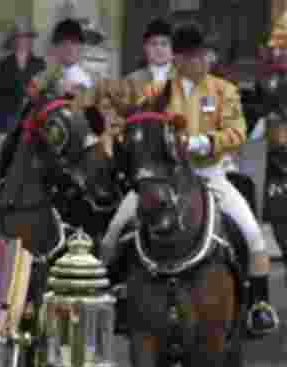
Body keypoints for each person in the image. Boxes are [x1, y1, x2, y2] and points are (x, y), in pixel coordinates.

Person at [100, 23, 278, 336]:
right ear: (178, 60)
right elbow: (134, 120)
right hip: (165, 175)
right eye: (191, 57)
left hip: (210, 173)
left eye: (202, 56)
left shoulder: (224, 90)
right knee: (114, 229)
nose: (200, 62)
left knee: (253, 235)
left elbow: (236, 132)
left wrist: (203, 143)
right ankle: (107, 296)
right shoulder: (156, 92)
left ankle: (258, 307)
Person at [0, 18, 46, 132]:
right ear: (13, 40)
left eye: (25, 37)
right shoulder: (5, 64)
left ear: (30, 40)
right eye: (19, 37)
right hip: (10, 116)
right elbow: (1, 96)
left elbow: (43, 92)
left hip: (32, 115)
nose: (22, 40)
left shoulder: (39, 63)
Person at [127, 18, 174, 87]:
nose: (159, 49)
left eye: (164, 44)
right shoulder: (131, 80)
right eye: (154, 44)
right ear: (145, 47)